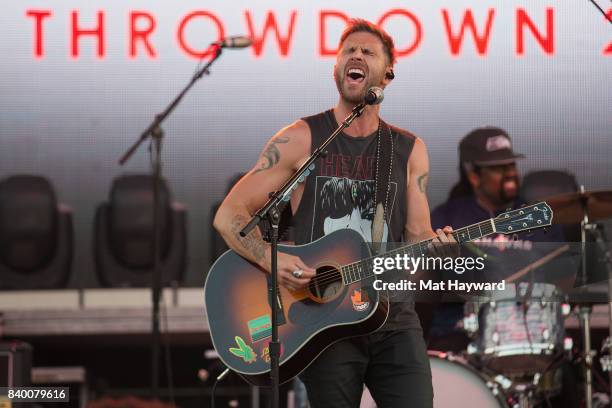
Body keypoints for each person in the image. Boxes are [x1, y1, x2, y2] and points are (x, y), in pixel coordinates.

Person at [214, 19, 455, 408]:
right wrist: (275, 260)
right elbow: (230, 217)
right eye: (348, 51)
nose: (356, 55)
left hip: (392, 317)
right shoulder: (302, 138)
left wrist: (439, 244)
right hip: (324, 318)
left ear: (388, 75)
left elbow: (416, 235)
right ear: (336, 67)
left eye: (367, 52)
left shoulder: (409, 149)